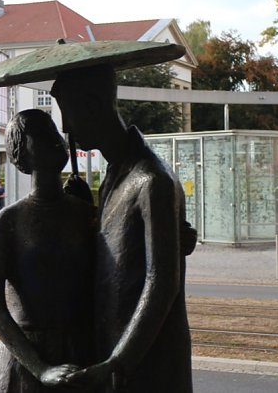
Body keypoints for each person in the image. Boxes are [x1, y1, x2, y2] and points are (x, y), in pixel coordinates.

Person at [51, 64, 193, 392]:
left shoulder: (150, 180)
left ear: (91, 106)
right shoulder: (116, 175)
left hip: (145, 364)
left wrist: (119, 361)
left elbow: (162, 283)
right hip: (118, 354)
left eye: (67, 112)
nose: (64, 126)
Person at [0, 109, 96, 392]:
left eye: (54, 131)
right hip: (26, 361)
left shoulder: (84, 212)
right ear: (22, 153)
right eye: (41, 134)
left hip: (80, 352)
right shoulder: (8, 221)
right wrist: (40, 368)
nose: (54, 139)